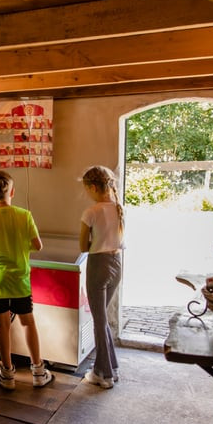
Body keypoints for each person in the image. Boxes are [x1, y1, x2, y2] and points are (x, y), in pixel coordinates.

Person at [0, 170, 53, 390]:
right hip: (19, 280)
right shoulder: (24, 215)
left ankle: (7, 374)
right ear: (13, 192)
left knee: (2, 325)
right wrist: (19, 246)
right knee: (28, 322)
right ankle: (38, 370)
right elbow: (38, 245)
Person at [79, 165, 124, 389]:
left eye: (87, 189)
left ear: (94, 187)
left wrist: (93, 240)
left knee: (98, 321)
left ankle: (103, 374)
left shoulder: (91, 212)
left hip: (98, 265)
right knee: (101, 318)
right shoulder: (118, 208)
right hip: (116, 264)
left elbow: (83, 246)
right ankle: (111, 367)